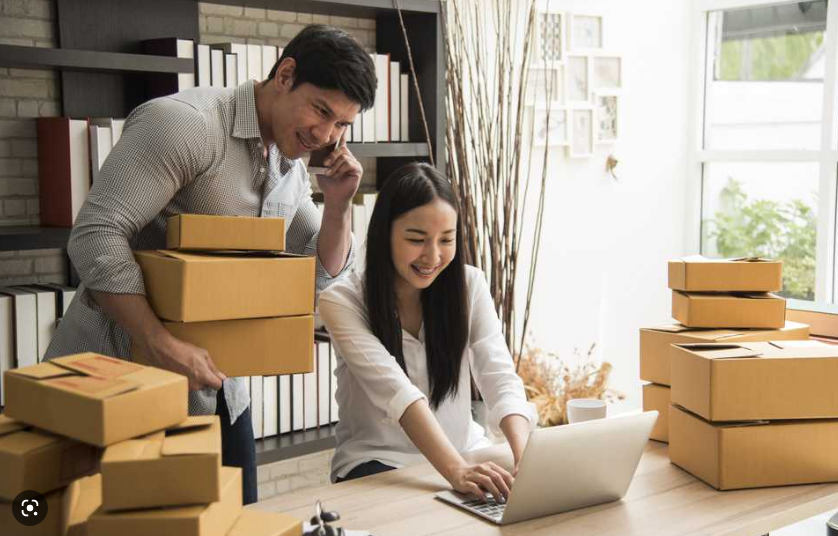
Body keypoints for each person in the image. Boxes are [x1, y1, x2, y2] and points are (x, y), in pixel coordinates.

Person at [43, 25, 377, 504]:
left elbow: (317, 275)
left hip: (219, 390)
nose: (326, 136)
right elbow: (96, 234)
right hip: (119, 380)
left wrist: (340, 206)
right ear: (285, 75)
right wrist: (159, 342)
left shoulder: (291, 161)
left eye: (342, 124)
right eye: (321, 110)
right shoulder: (186, 124)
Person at [319, 162, 537, 502]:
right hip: (380, 464)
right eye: (417, 239)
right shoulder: (341, 301)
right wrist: (456, 471)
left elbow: (500, 376)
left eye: (446, 240)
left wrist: (525, 457)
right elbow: (398, 393)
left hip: (467, 452)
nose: (433, 256)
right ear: (384, 234)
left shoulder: (470, 285)